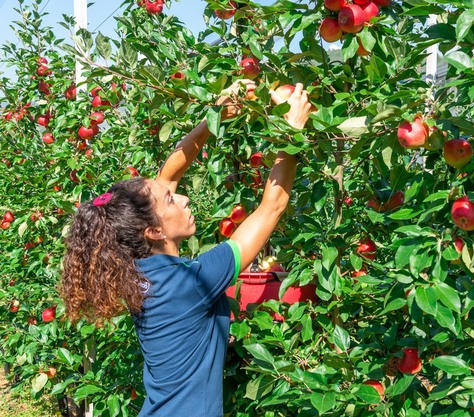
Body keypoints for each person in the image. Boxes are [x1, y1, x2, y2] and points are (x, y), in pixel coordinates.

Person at [60, 80, 311, 417]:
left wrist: (214, 118)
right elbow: (271, 208)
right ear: (153, 230)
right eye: (171, 200)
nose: (184, 198)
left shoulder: (137, 271)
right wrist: (291, 133)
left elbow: (167, 176)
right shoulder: (190, 283)